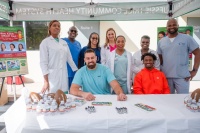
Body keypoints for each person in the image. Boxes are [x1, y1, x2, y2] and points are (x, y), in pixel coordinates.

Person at [157, 18, 200, 94]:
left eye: (174, 25)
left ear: (178, 26)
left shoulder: (187, 38)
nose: (172, 27)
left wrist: (194, 71)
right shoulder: (161, 41)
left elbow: (198, 53)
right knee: (168, 101)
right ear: (166, 27)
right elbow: (159, 59)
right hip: (166, 76)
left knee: (182, 100)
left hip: (182, 77)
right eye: (169, 25)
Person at [40, 20, 78, 94]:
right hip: (52, 78)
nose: (57, 27)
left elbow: (69, 59)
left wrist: (77, 71)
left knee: (64, 99)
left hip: (63, 77)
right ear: (49, 28)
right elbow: (43, 63)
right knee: (53, 101)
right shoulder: (45, 42)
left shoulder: (64, 43)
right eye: (54, 25)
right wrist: (46, 81)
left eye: (58, 26)